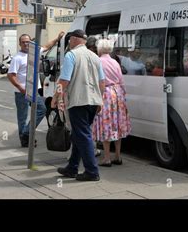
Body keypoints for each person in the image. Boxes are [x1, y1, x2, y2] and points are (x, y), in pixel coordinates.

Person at [51, 29, 105, 181]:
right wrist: (101, 100)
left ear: (74, 39)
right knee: (79, 135)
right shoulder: (95, 56)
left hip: (78, 100)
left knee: (83, 135)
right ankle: (72, 167)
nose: (69, 42)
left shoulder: (71, 55)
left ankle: (92, 171)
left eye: (69, 40)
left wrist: (56, 96)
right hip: (93, 101)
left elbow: (64, 80)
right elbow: (102, 82)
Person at [8, 32, 65, 147]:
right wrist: (21, 88)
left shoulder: (34, 52)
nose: (25, 44)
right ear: (20, 44)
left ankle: (26, 133)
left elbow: (47, 46)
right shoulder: (17, 58)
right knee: (22, 117)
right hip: (22, 92)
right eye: (23, 42)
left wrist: (57, 38)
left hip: (33, 90)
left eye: (27, 42)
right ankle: (25, 140)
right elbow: (11, 75)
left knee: (42, 109)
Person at [92, 39, 131, 166]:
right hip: (118, 93)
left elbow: (97, 80)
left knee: (106, 125)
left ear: (99, 49)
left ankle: (107, 157)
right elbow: (121, 80)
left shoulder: (98, 62)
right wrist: (123, 95)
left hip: (106, 93)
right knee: (117, 125)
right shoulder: (115, 62)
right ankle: (118, 156)